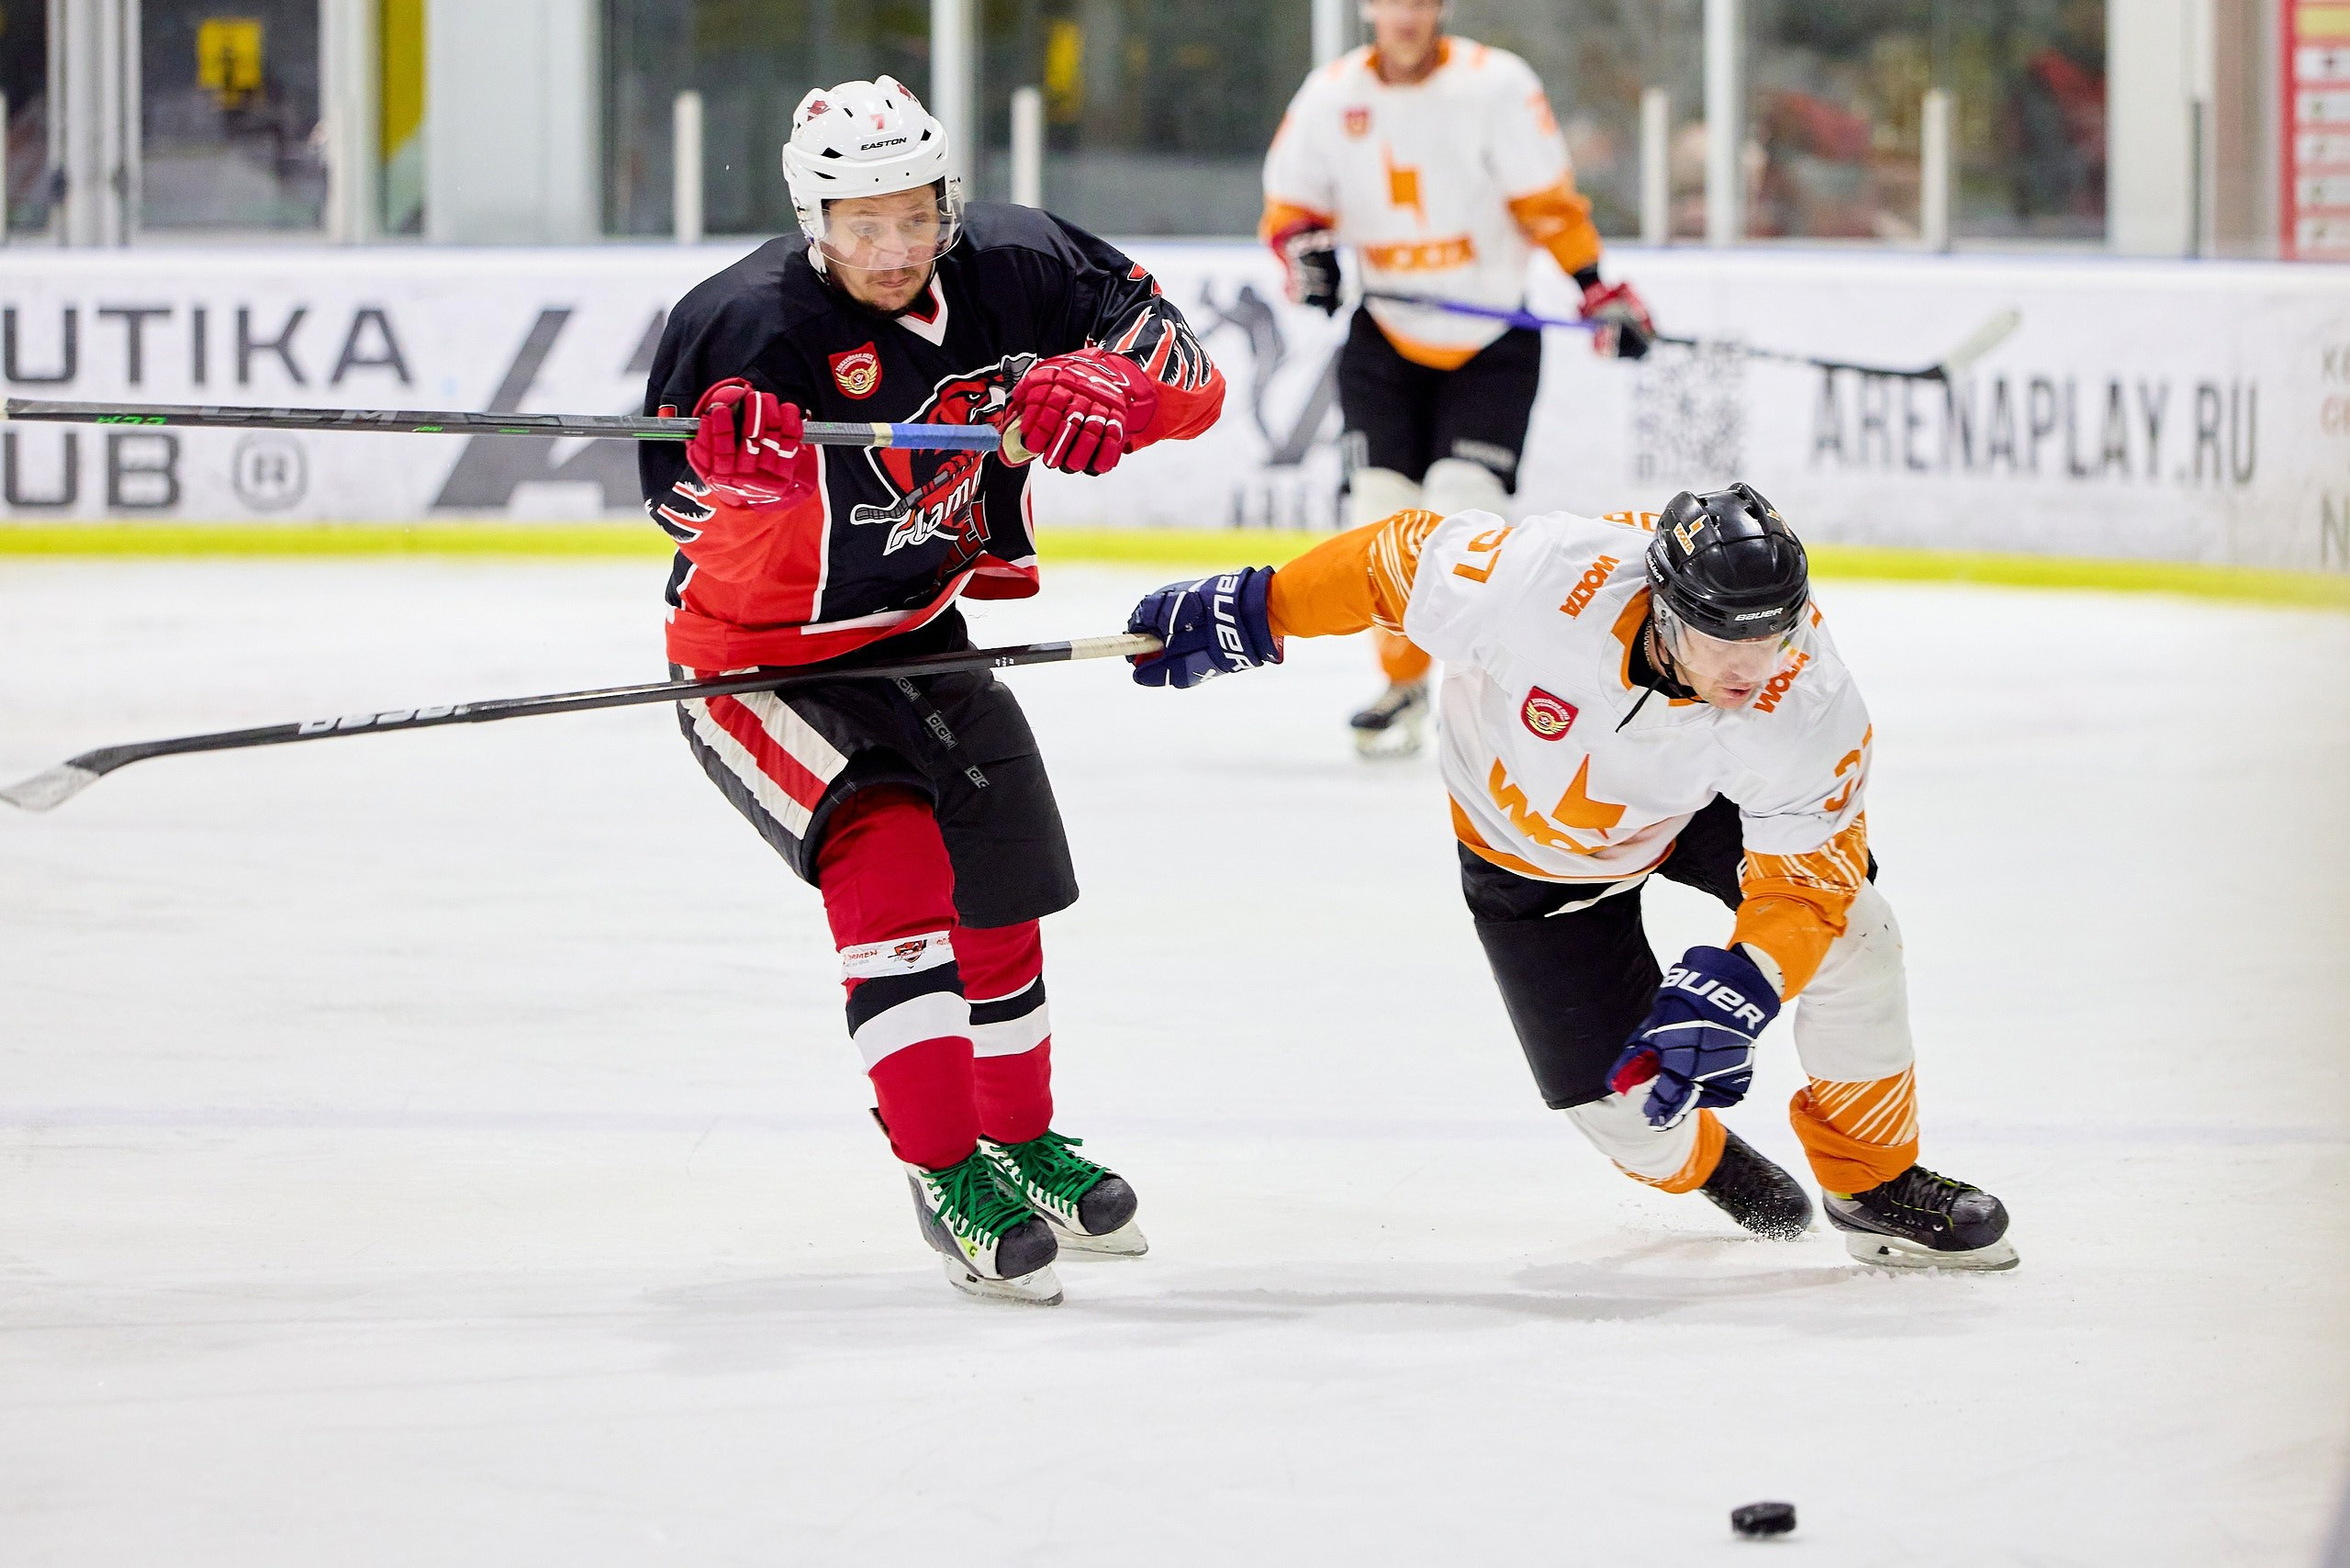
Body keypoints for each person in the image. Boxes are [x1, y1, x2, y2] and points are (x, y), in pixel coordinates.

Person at [641, 77, 1225, 1305]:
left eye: (914, 214)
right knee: (895, 857)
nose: (894, 247)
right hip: (760, 660)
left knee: (1000, 883)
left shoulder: (1022, 266)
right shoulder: (741, 328)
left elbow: (1189, 375)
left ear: (946, 198)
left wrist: (1122, 391)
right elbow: (698, 534)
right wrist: (753, 491)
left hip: (918, 627)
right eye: (862, 223)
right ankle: (943, 1165)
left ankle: (1018, 1139)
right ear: (815, 219)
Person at [1123, 487, 2017, 1270]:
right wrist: (1263, 606)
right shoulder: (1543, 580)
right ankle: (1707, 1160)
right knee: (1631, 1120)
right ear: (1665, 613)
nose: (1755, 666)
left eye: (1774, 633)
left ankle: (1873, 1183)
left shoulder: (1805, 691)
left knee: (1859, 933)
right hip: (1527, 859)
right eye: (1723, 638)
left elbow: (1809, 883)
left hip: (1693, 809)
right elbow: (1388, 563)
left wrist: (1749, 979)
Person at [1260, 0, 1653, 757]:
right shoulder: (1332, 93)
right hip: (1385, 338)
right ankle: (1403, 683)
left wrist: (1595, 288)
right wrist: (1303, 253)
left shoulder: (1495, 83)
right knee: (1380, 521)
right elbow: (1292, 207)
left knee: (1464, 516)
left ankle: (1487, 691)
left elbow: (1547, 203)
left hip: (1493, 340)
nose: (1405, 14)